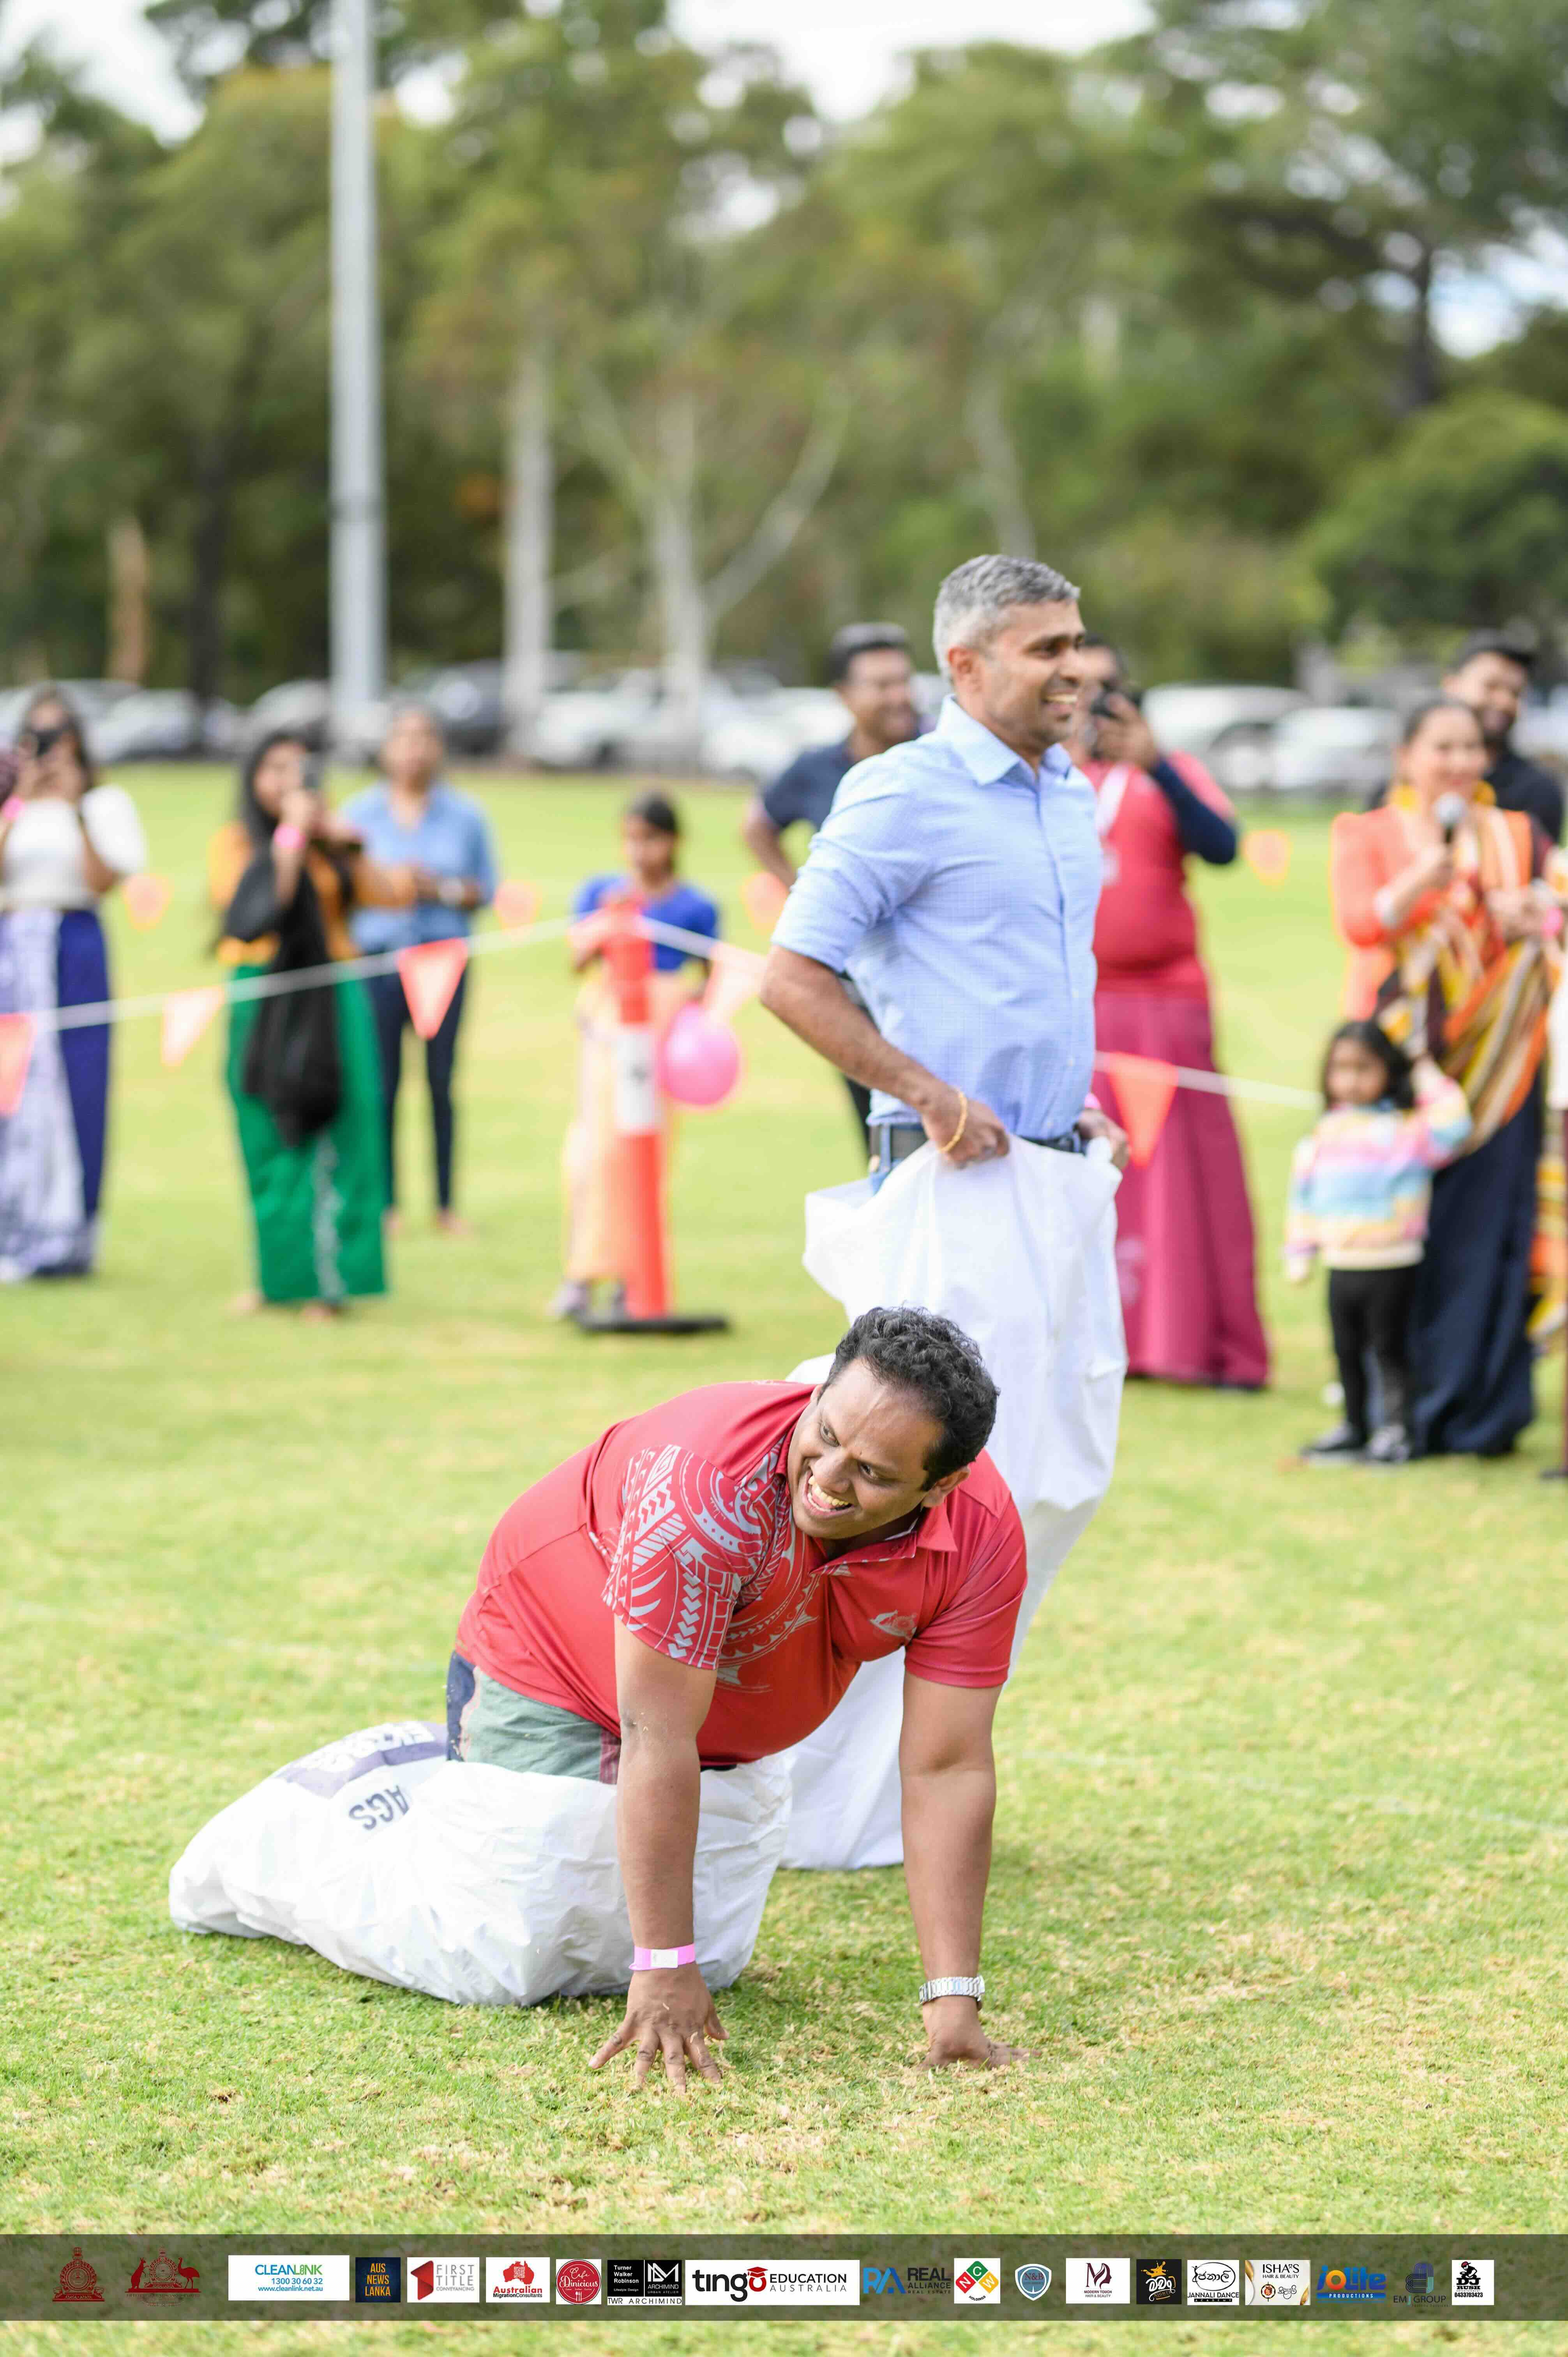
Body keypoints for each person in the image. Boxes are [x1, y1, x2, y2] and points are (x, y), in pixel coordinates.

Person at [759, 554, 1128, 1870]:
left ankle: (907, 1776)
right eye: (1046, 649)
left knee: (1054, 1478)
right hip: (947, 1183)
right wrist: (928, 1091)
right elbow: (791, 978)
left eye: (1078, 642)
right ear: (964, 666)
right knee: (918, 1494)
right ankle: (816, 1799)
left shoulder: (1068, 791)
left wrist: (1074, 1106)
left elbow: (1035, 983)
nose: (1076, 668)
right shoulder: (900, 792)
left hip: (1055, 1179)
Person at [449, 1307, 1031, 2084]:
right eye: (825, 1434)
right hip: (549, 1668)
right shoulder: (703, 1491)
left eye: (873, 1473)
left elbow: (946, 1766)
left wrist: (952, 2002)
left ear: (942, 1486)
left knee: (710, 1955)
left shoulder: (980, 1536)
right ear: (816, 1393)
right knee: (514, 1954)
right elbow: (655, 1731)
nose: (828, 1479)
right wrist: (662, 1964)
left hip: (705, 1732)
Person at [1331, 697, 1568, 1456]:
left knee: (1487, 1241)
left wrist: (1539, 915)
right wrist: (1419, 879)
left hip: (1501, 1068)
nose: (1459, 763)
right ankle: (1396, 1412)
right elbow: (1359, 924)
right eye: (1442, 747)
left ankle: (1480, 1412)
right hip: (1403, 1072)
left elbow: (1558, 907)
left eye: (1470, 749)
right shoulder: (1367, 831)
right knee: (1395, 1241)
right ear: (1405, 755)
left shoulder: (1517, 834)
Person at [1072, 637, 1269, 1388]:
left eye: (1104, 688)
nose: (1089, 704)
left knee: (1183, 1177)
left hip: (1164, 1002)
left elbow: (1220, 847)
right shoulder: (1052, 777)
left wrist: (1154, 764)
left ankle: (1191, 1340)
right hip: (1081, 1004)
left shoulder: (1168, 771)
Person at [210, 732, 418, 1317]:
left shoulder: (334, 844)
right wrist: (291, 837)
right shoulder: (237, 843)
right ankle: (280, 1279)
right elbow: (256, 912)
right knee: (266, 1134)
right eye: (272, 769)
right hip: (262, 993)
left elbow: (391, 896)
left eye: (296, 770)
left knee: (343, 1129)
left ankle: (335, 1281)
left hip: (333, 993)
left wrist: (348, 846)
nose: (285, 782)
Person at [741, 624, 922, 1149]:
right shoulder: (817, 770)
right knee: (880, 1134)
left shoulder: (941, 757)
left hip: (932, 985)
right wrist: (801, 892)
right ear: (843, 695)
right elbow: (756, 826)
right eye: (881, 685)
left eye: (904, 681)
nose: (899, 696)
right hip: (852, 988)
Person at [553, 792, 719, 1323]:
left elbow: (711, 975)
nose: (639, 851)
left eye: (650, 839)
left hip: (662, 1036)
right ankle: (582, 1273)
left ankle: (634, 1276)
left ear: (672, 842)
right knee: (593, 1152)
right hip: (610, 1029)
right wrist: (612, 920)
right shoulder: (601, 893)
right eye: (630, 839)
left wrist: (686, 1011)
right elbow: (577, 960)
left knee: (648, 1154)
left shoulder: (695, 908)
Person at [0, 686, 146, 1279]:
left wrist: (75, 805)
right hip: (12, 951)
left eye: (59, 735)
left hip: (74, 947)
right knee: (10, 1087)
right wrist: (17, 802)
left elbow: (105, 881)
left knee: (79, 1082)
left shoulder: (103, 803)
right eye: (36, 736)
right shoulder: (10, 803)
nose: (48, 748)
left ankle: (72, 1231)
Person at [339, 705, 498, 1236]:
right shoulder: (357, 815)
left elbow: (485, 889)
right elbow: (341, 889)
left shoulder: (466, 816)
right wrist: (387, 888)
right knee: (380, 1085)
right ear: (387, 749)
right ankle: (385, 1204)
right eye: (404, 738)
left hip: (442, 963)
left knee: (440, 1084)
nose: (414, 749)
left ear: (439, 748)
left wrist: (438, 889)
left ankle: (446, 1205)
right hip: (377, 963)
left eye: (425, 738)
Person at [1285, 1021, 1471, 1466]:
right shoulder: (1324, 1133)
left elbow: (1454, 1125)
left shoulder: (1406, 1131)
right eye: (1341, 1069)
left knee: (1389, 1349)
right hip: (1341, 1262)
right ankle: (1354, 1427)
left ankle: (1397, 1431)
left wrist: (1423, 1070)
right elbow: (1303, 1195)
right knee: (1345, 1349)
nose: (1351, 1080)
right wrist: (1300, 1251)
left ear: (1387, 1070)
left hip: (1390, 1263)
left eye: (1364, 1068)